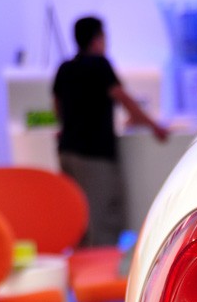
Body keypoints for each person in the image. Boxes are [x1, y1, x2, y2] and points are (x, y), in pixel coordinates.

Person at [52, 16, 169, 246]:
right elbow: (122, 97)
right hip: (94, 153)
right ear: (97, 38)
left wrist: (65, 125)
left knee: (80, 217)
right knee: (103, 218)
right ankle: (101, 267)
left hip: (67, 152)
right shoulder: (100, 65)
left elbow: (57, 104)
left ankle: (82, 265)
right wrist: (154, 126)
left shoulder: (65, 68)